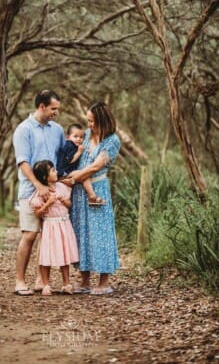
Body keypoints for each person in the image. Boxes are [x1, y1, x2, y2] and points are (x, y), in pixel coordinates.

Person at [12, 89, 65, 295]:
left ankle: (41, 280)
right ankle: (19, 281)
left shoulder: (57, 130)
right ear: (41, 106)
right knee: (30, 234)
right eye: (53, 108)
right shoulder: (23, 130)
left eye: (58, 109)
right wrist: (38, 185)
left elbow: (62, 155)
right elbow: (22, 162)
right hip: (30, 191)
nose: (56, 112)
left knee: (49, 235)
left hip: (53, 192)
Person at [66, 101, 121, 296]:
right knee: (81, 232)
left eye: (92, 121)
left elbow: (96, 166)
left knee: (101, 232)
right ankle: (85, 279)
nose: (89, 125)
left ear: (102, 120)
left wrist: (77, 176)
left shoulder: (112, 141)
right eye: (88, 121)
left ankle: (104, 281)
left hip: (97, 189)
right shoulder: (87, 136)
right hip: (80, 192)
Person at [30, 160, 79, 296]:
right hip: (50, 225)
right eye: (52, 170)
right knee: (47, 255)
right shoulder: (41, 192)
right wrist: (48, 204)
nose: (56, 172)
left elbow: (69, 205)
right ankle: (46, 284)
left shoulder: (62, 187)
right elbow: (38, 213)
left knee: (65, 254)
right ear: (45, 177)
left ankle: (66, 283)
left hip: (64, 224)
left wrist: (64, 201)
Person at [57, 123, 105, 205]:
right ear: (68, 137)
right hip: (63, 173)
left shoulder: (73, 145)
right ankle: (92, 196)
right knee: (84, 175)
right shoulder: (70, 145)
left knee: (83, 175)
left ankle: (91, 196)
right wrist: (79, 152)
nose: (79, 139)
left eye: (81, 137)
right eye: (75, 136)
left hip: (67, 172)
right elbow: (69, 161)